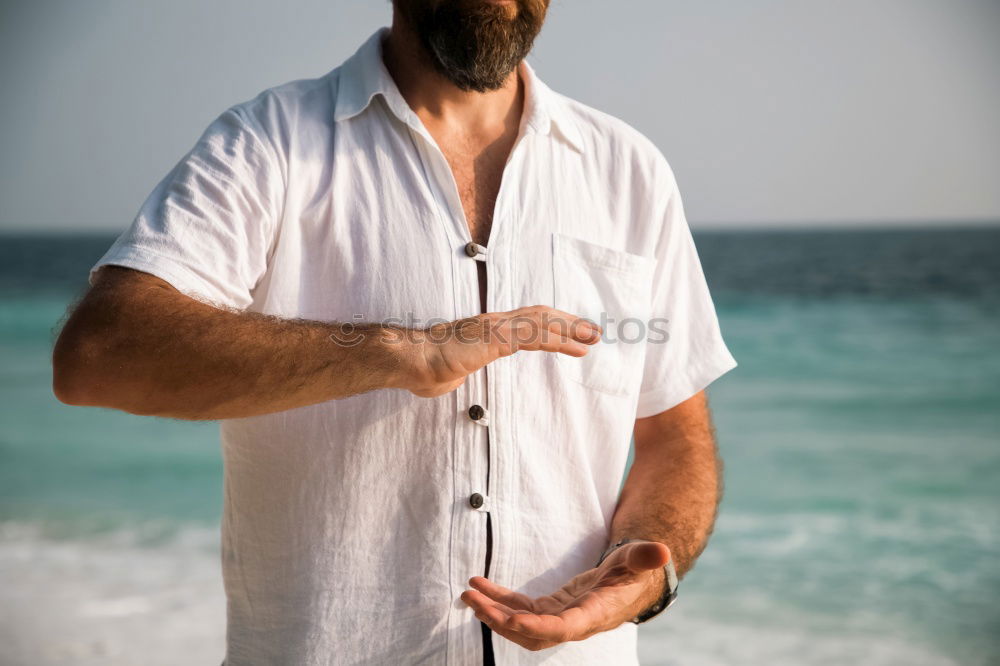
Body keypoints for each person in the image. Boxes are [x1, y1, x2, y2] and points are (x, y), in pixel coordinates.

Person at [52, 0, 737, 663]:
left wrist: (641, 572)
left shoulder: (629, 169)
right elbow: (101, 352)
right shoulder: (271, 142)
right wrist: (399, 350)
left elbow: (674, 433)